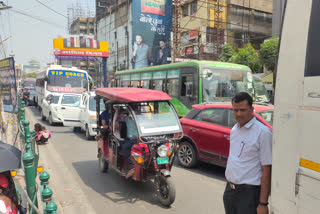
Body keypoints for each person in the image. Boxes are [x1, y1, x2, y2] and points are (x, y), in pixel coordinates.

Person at [223, 92, 272, 214]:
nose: (239, 114)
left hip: (248, 194)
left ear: (252, 109)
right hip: (230, 191)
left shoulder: (263, 133)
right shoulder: (235, 129)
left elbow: (266, 170)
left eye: (243, 110)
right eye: (235, 110)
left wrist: (263, 203)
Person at [113, 105, 138, 178]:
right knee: (121, 146)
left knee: (125, 148)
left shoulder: (139, 119)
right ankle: (126, 166)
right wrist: (116, 111)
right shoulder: (127, 119)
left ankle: (131, 167)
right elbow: (117, 120)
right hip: (129, 139)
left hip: (137, 139)